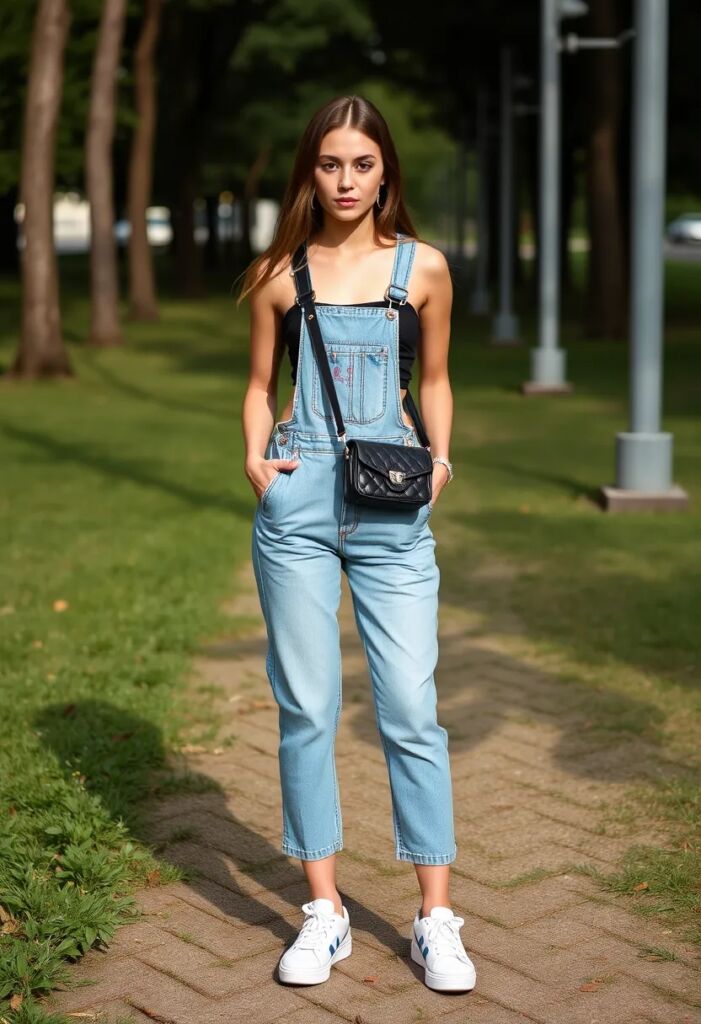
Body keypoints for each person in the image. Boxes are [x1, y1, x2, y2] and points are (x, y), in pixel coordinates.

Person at [237, 94, 476, 994]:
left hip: (392, 509)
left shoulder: (424, 271)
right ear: (312, 170)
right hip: (296, 506)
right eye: (330, 164)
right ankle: (324, 914)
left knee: (409, 706)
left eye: (362, 165)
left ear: (386, 173)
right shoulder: (276, 274)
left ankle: (434, 919)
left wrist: (441, 460)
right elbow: (261, 385)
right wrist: (258, 463)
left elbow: (440, 378)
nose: (345, 181)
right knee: (306, 706)